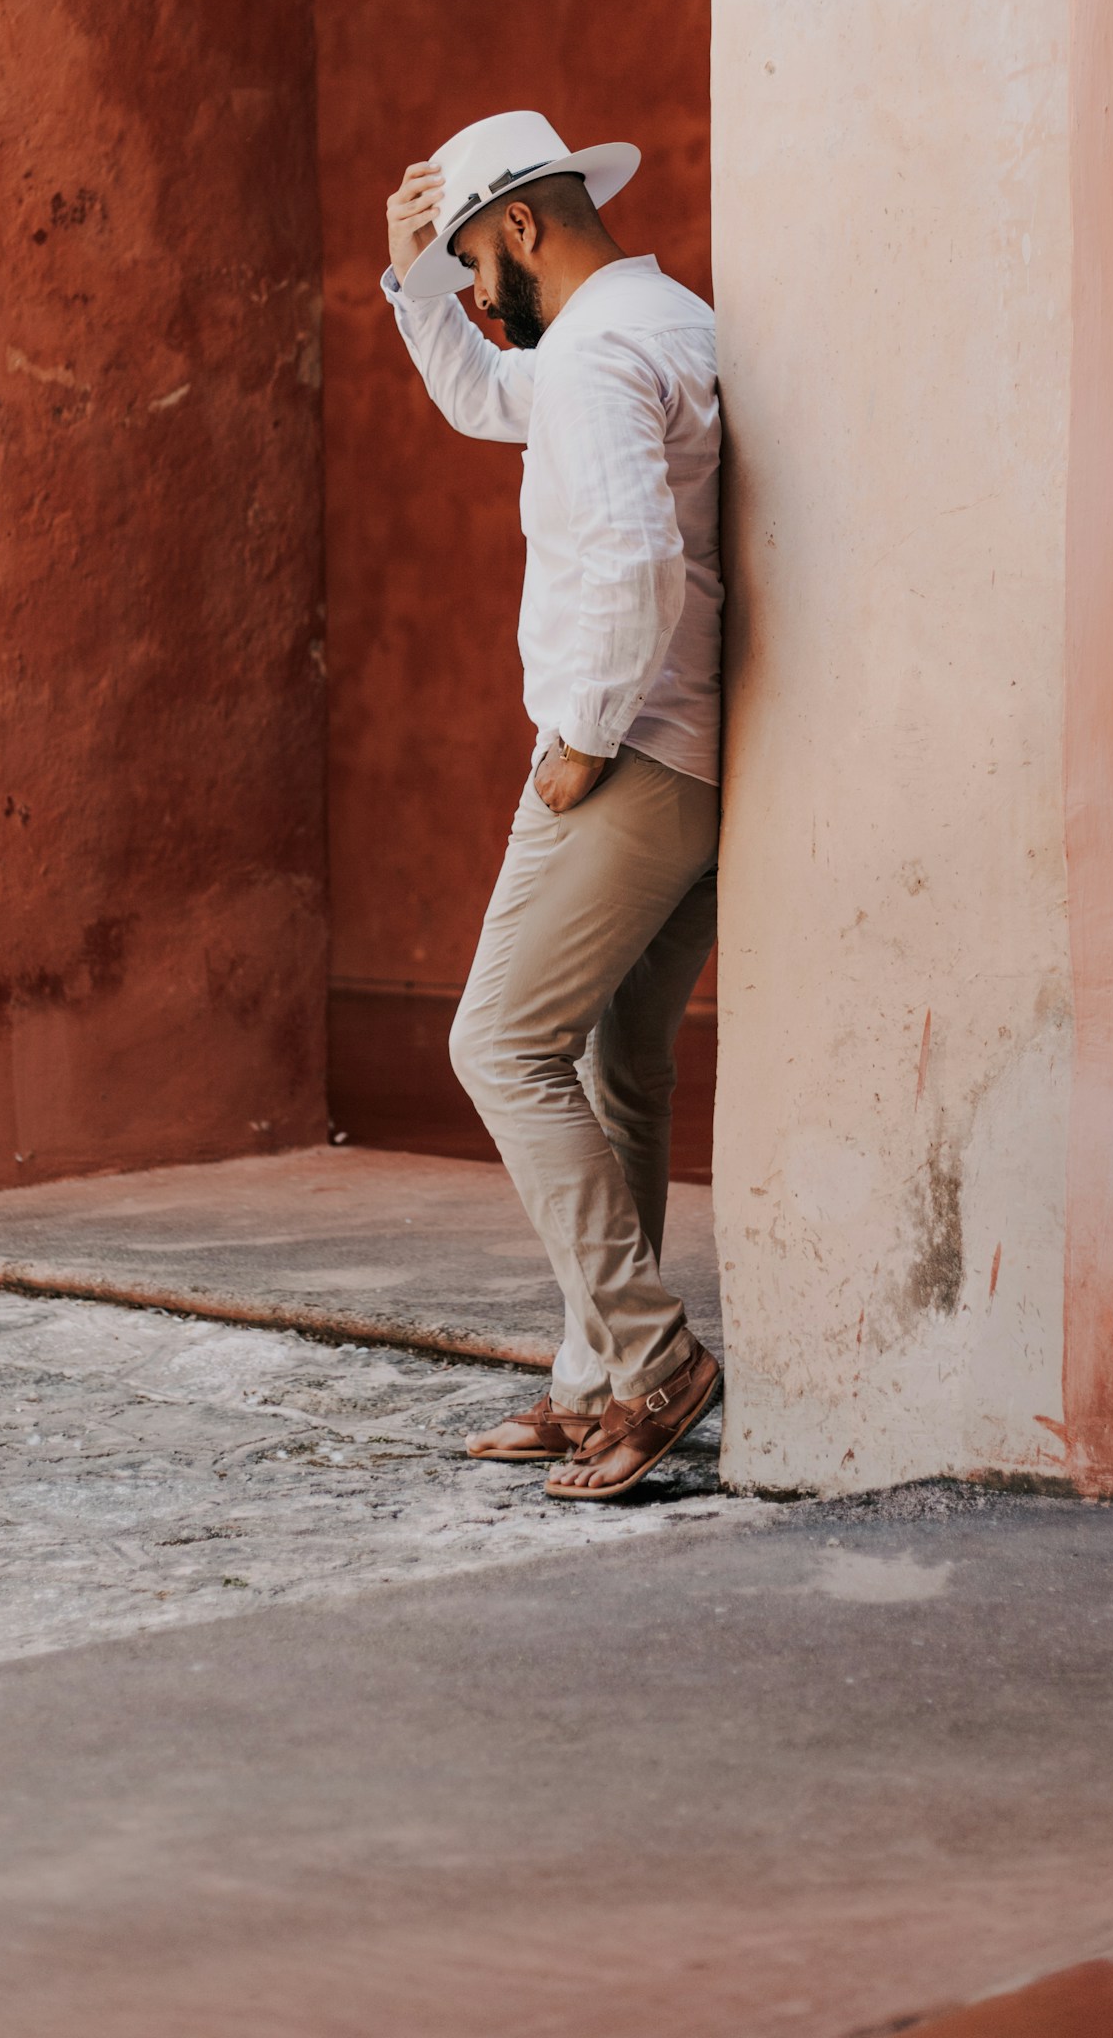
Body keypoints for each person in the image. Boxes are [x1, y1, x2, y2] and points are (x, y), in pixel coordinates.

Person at [381, 109, 722, 1500]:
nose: (475, 293)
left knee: (499, 1045)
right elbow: (481, 396)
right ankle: (596, 1385)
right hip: (697, 754)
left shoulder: (592, 355)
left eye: (473, 262)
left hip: (630, 755)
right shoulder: (663, 320)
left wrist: (578, 741)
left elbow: (636, 560)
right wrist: (411, 274)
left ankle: (652, 1357)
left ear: (522, 226)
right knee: (615, 1068)